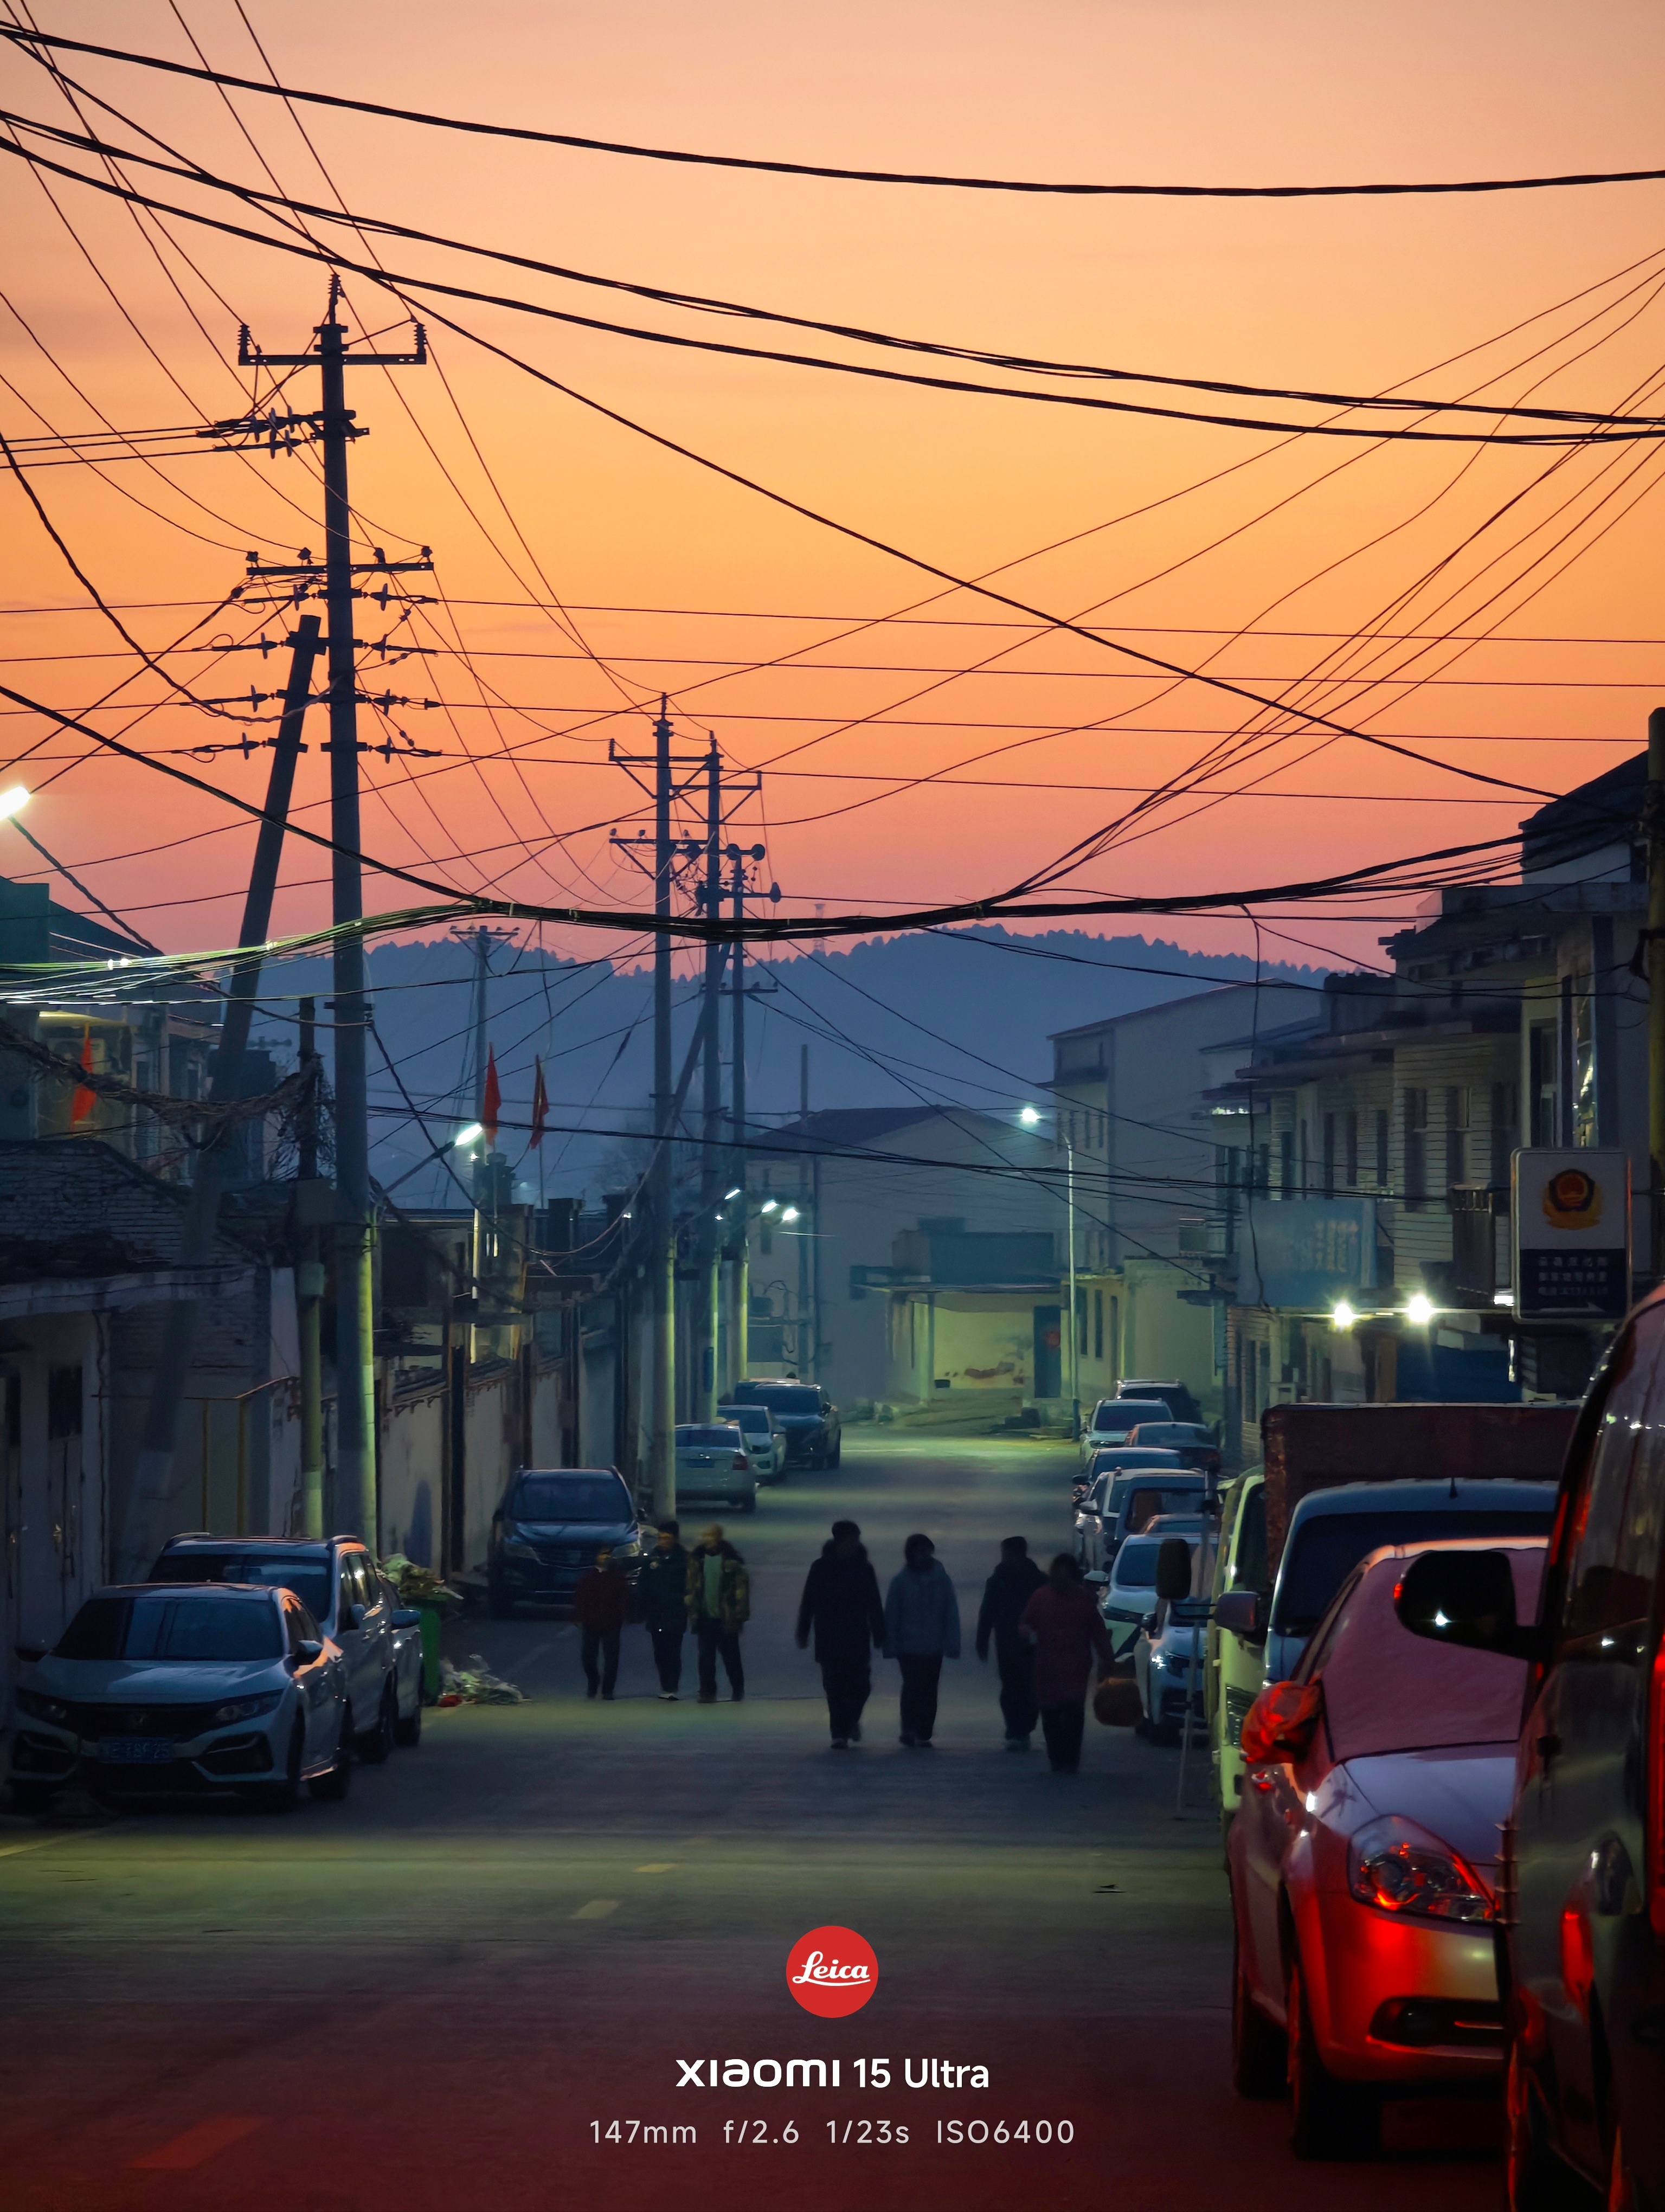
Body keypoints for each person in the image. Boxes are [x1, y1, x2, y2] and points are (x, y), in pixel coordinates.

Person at [1019, 1553, 1114, 1774]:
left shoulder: (1083, 1601)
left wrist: (1107, 1661)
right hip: (1048, 1666)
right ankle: (1058, 1758)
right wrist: (1030, 1635)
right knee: (1052, 1714)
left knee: (1072, 1714)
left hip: (1075, 1666)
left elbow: (1098, 1633)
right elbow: (1025, 1623)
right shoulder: (1041, 1598)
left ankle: (1070, 1759)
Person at [795, 1519, 885, 1749]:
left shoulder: (864, 1568)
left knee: (861, 1686)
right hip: (829, 1636)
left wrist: (879, 1632)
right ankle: (839, 1733)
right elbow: (809, 1602)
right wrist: (803, 1630)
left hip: (857, 1636)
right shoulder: (821, 1568)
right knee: (834, 1688)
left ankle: (851, 1720)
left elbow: (874, 1603)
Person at [882, 1533, 960, 1748]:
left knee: (927, 1688)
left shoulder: (940, 1580)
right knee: (913, 1687)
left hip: (933, 1645)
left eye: (926, 1550)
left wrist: (952, 1641)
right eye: (919, 1551)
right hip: (909, 1645)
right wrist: (890, 1642)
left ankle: (923, 1730)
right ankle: (910, 1729)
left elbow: (950, 1612)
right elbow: (892, 1614)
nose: (923, 1555)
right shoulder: (901, 1582)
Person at [975, 1535, 1047, 1750]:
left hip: (1010, 1641)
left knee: (1014, 1686)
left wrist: (983, 1640)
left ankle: (1016, 1728)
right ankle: (1021, 1728)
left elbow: (987, 1613)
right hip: (1026, 1642)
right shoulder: (1039, 1579)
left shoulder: (1000, 1580)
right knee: (1027, 1686)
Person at [686, 1523, 749, 1704]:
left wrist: (740, 1615)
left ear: (718, 1538)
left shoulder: (731, 1561)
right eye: (704, 1535)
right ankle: (707, 1692)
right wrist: (692, 1608)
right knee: (706, 1659)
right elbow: (691, 1586)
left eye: (710, 1536)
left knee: (731, 1657)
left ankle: (738, 1689)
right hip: (705, 1617)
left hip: (726, 1617)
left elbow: (741, 1591)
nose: (706, 1539)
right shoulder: (697, 1559)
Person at [636, 1518, 690, 1700]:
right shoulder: (653, 1559)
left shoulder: (684, 1561)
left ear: (675, 1539)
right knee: (660, 1652)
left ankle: (672, 1687)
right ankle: (665, 1685)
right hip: (656, 1614)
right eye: (661, 1538)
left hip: (676, 1613)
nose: (663, 1542)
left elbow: (691, 1586)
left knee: (674, 1651)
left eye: (667, 1538)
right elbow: (643, 1585)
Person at [571, 1546, 631, 1700]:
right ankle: (593, 1680)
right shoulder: (589, 1577)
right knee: (588, 1658)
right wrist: (578, 1615)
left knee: (612, 1658)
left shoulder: (617, 1577)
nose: (606, 1557)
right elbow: (580, 1598)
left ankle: (608, 1690)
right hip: (591, 1622)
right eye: (603, 1554)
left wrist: (624, 1616)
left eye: (609, 1555)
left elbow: (625, 1599)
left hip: (612, 1622)